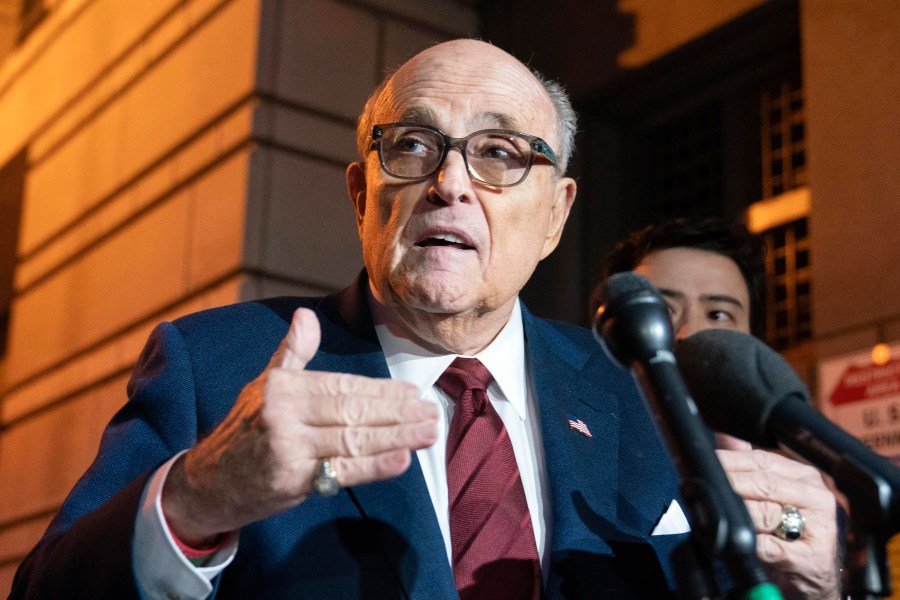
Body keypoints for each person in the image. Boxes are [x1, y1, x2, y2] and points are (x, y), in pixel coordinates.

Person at [11, 42, 836, 599]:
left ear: (555, 217)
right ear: (361, 194)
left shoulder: (640, 396)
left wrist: (822, 573)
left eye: (502, 155)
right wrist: (194, 501)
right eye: (412, 146)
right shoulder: (215, 367)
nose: (450, 184)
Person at [595, 217, 841, 597]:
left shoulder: (799, 496)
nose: (688, 333)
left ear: (754, 343)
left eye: (719, 315)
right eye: (656, 309)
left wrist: (821, 586)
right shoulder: (567, 455)